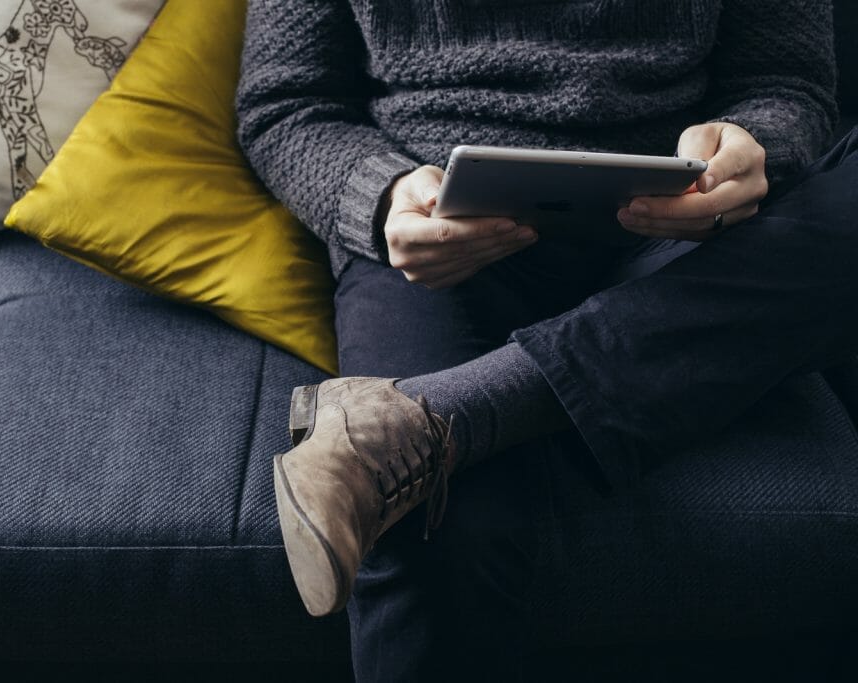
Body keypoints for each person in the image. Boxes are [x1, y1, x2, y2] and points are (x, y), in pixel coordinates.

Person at [237, 0, 858, 678]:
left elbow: (786, 83)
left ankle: (431, 420)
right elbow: (285, 104)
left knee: (407, 486)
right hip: (441, 239)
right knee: (438, 529)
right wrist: (383, 196)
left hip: (683, 233)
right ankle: (448, 421)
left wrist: (751, 146)